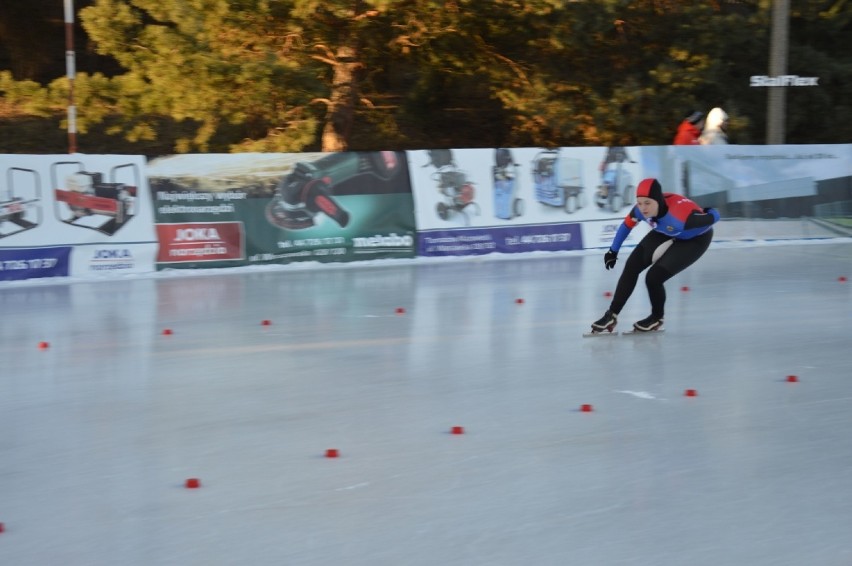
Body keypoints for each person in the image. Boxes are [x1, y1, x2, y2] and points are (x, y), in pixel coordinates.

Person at [590, 178, 720, 333]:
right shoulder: (639, 210)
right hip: (664, 230)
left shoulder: (681, 217)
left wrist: (710, 210)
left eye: (647, 203)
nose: (643, 208)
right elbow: (626, 226)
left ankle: (657, 318)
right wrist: (613, 251)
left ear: (658, 201)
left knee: (653, 278)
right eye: (639, 202)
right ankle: (611, 315)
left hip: (695, 240)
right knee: (632, 266)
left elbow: (715, 217)